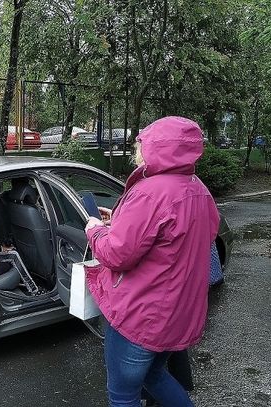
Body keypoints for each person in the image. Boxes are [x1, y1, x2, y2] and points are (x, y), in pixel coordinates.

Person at [84, 116, 220, 407]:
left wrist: (94, 229)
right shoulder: (198, 188)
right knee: (155, 374)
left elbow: (115, 255)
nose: (137, 149)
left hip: (142, 316)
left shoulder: (150, 192)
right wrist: (120, 222)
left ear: (157, 147)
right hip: (177, 314)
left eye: (142, 143)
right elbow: (173, 243)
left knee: (122, 395)